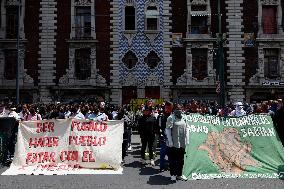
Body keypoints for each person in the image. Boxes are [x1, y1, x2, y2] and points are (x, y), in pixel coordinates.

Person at [166, 104, 189, 182]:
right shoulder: (171, 118)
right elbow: (168, 130)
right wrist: (170, 141)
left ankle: (179, 174)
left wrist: (187, 140)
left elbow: (187, 128)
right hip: (173, 143)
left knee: (180, 160)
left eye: (180, 109)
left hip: (182, 143)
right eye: (177, 109)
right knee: (173, 160)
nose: (179, 110)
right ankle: (173, 175)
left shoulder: (184, 117)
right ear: (174, 109)